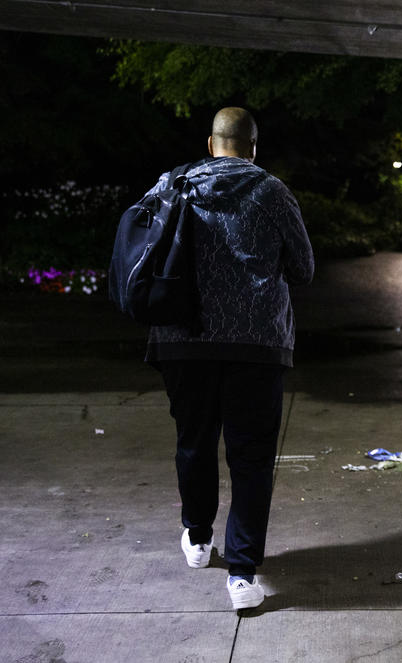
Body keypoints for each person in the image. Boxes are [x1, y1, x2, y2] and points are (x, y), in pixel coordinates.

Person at [142, 107, 314, 610]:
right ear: (253, 146)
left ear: (211, 142)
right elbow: (302, 269)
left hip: (181, 340)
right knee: (252, 457)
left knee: (193, 441)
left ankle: (197, 538)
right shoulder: (274, 192)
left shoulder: (172, 185)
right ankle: (242, 577)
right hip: (256, 346)